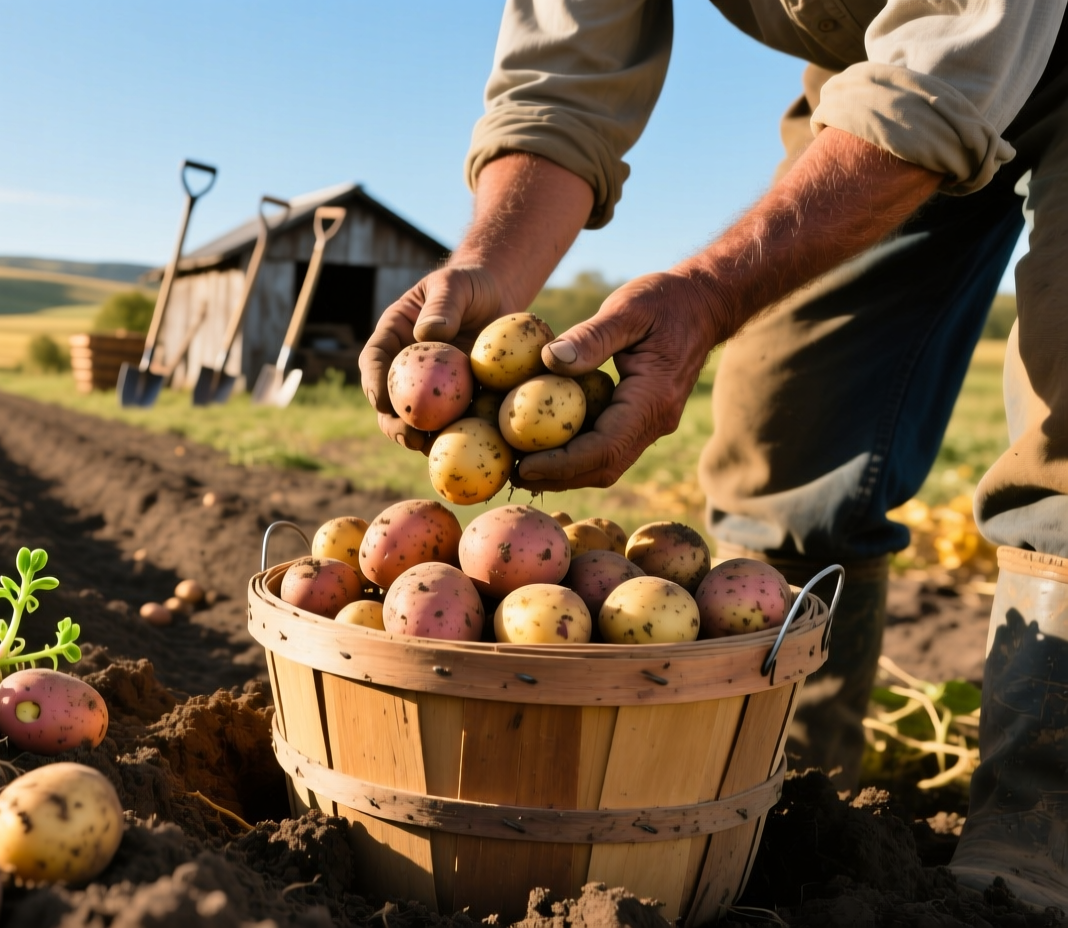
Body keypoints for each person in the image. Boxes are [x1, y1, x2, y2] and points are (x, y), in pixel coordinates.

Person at [359, 1, 1068, 911]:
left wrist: (709, 290)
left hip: (966, 44)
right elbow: (565, 72)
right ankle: (792, 788)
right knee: (786, 444)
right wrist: (492, 267)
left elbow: (953, 60)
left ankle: (1042, 828)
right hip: (887, 73)